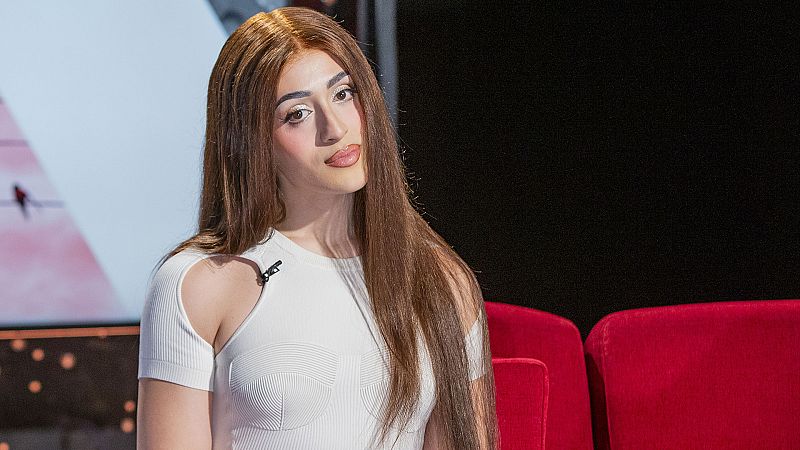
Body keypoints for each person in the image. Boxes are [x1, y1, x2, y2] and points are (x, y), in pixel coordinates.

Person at [137, 7, 497, 449]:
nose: (335, 128)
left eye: (343, 93)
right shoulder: (199, 283)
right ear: (251, 140)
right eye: (297, 114)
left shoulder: (441, 281)